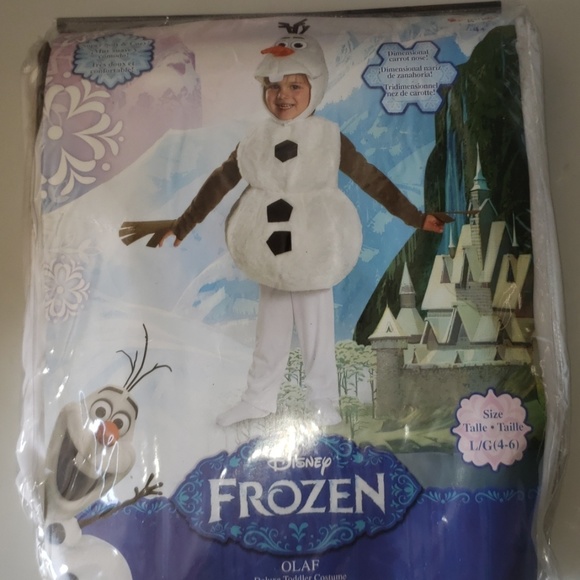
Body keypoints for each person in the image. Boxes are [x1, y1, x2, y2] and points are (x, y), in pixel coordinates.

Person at [120, 23, 445, 428]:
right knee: (270, 330)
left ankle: (324, 402)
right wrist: (183, 224)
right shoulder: (254, 138)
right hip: (268, 249)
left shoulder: (328, 137)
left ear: (315, 87)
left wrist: (415, 217)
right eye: (273, 86)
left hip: (315, 249)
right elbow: (222, 179)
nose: (283, 95)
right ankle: (258, 399)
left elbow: (371, 179)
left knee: (316, 328)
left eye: (295, 85)